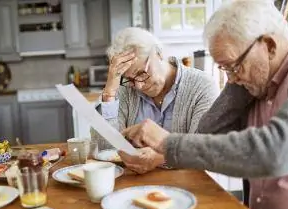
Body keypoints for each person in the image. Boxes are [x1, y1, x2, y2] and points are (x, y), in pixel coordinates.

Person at [120, 1, 288, 209]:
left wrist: (166, 142)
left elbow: (276, 152)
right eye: (224, 69)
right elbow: (208, 131)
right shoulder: (256, 83)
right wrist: (239, 73)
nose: (230, 79)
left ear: (269, 45)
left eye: (233, 66)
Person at [91, 27, 219, 174]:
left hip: (187, 186)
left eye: (141, 73)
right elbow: (104, 149)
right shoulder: (125, 89)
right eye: (130, 79)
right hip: (134, 187)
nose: (138, 85)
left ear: (158, 53)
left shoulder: (202, 86)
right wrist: (109, 94)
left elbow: (203, 152)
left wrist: (162, 158)